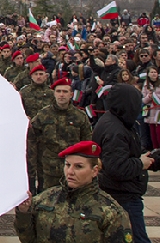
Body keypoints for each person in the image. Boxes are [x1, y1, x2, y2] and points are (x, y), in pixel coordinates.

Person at [14, 141, 133, 242]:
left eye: (78, 167)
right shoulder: (46, 199)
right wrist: (24, 212)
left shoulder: (109, 211)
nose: (70, 171)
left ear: (94, 171)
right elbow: (28, 239)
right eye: (67, 165)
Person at [93, 83, 157, 243]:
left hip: (121, 192)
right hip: (123, 195)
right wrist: (140, 163)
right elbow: (117, 167)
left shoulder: (117, 122)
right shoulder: (115, 130)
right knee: (137, 238)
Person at [27, 78, 92, 193]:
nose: (61, 95)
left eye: (65, 92)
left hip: (73, 170)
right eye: (58, 91)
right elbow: (31, 137)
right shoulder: (44, 115)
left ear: (71, 94)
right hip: (49, 170)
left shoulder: (80, 116)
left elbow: (87, 142)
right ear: (54, 93)